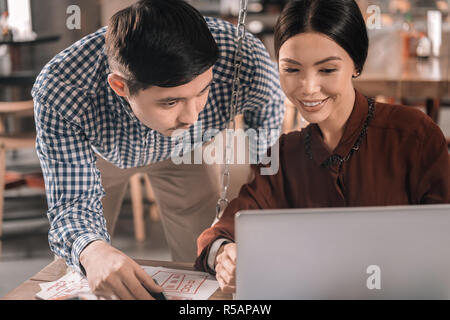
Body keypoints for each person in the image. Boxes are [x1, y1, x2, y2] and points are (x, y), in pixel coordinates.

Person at [32, 0, 285, 299]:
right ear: (120, 86)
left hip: (185, 148)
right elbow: (73, 204)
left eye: (203, 91)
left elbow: (267, 129)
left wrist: (260, 192)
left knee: (210, 262)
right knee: (80, 267)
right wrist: (91, 249)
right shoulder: (63, 89)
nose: (192, 116)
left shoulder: (243, 58)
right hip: (97, 155)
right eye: (171, 102)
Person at [195, 0, 450, 293]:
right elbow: (221, 232)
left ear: (356, 64)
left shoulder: (413, 136)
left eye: (327, 70)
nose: (308, 87)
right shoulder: (284, 155)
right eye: (291, 69)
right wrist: (224, 254)